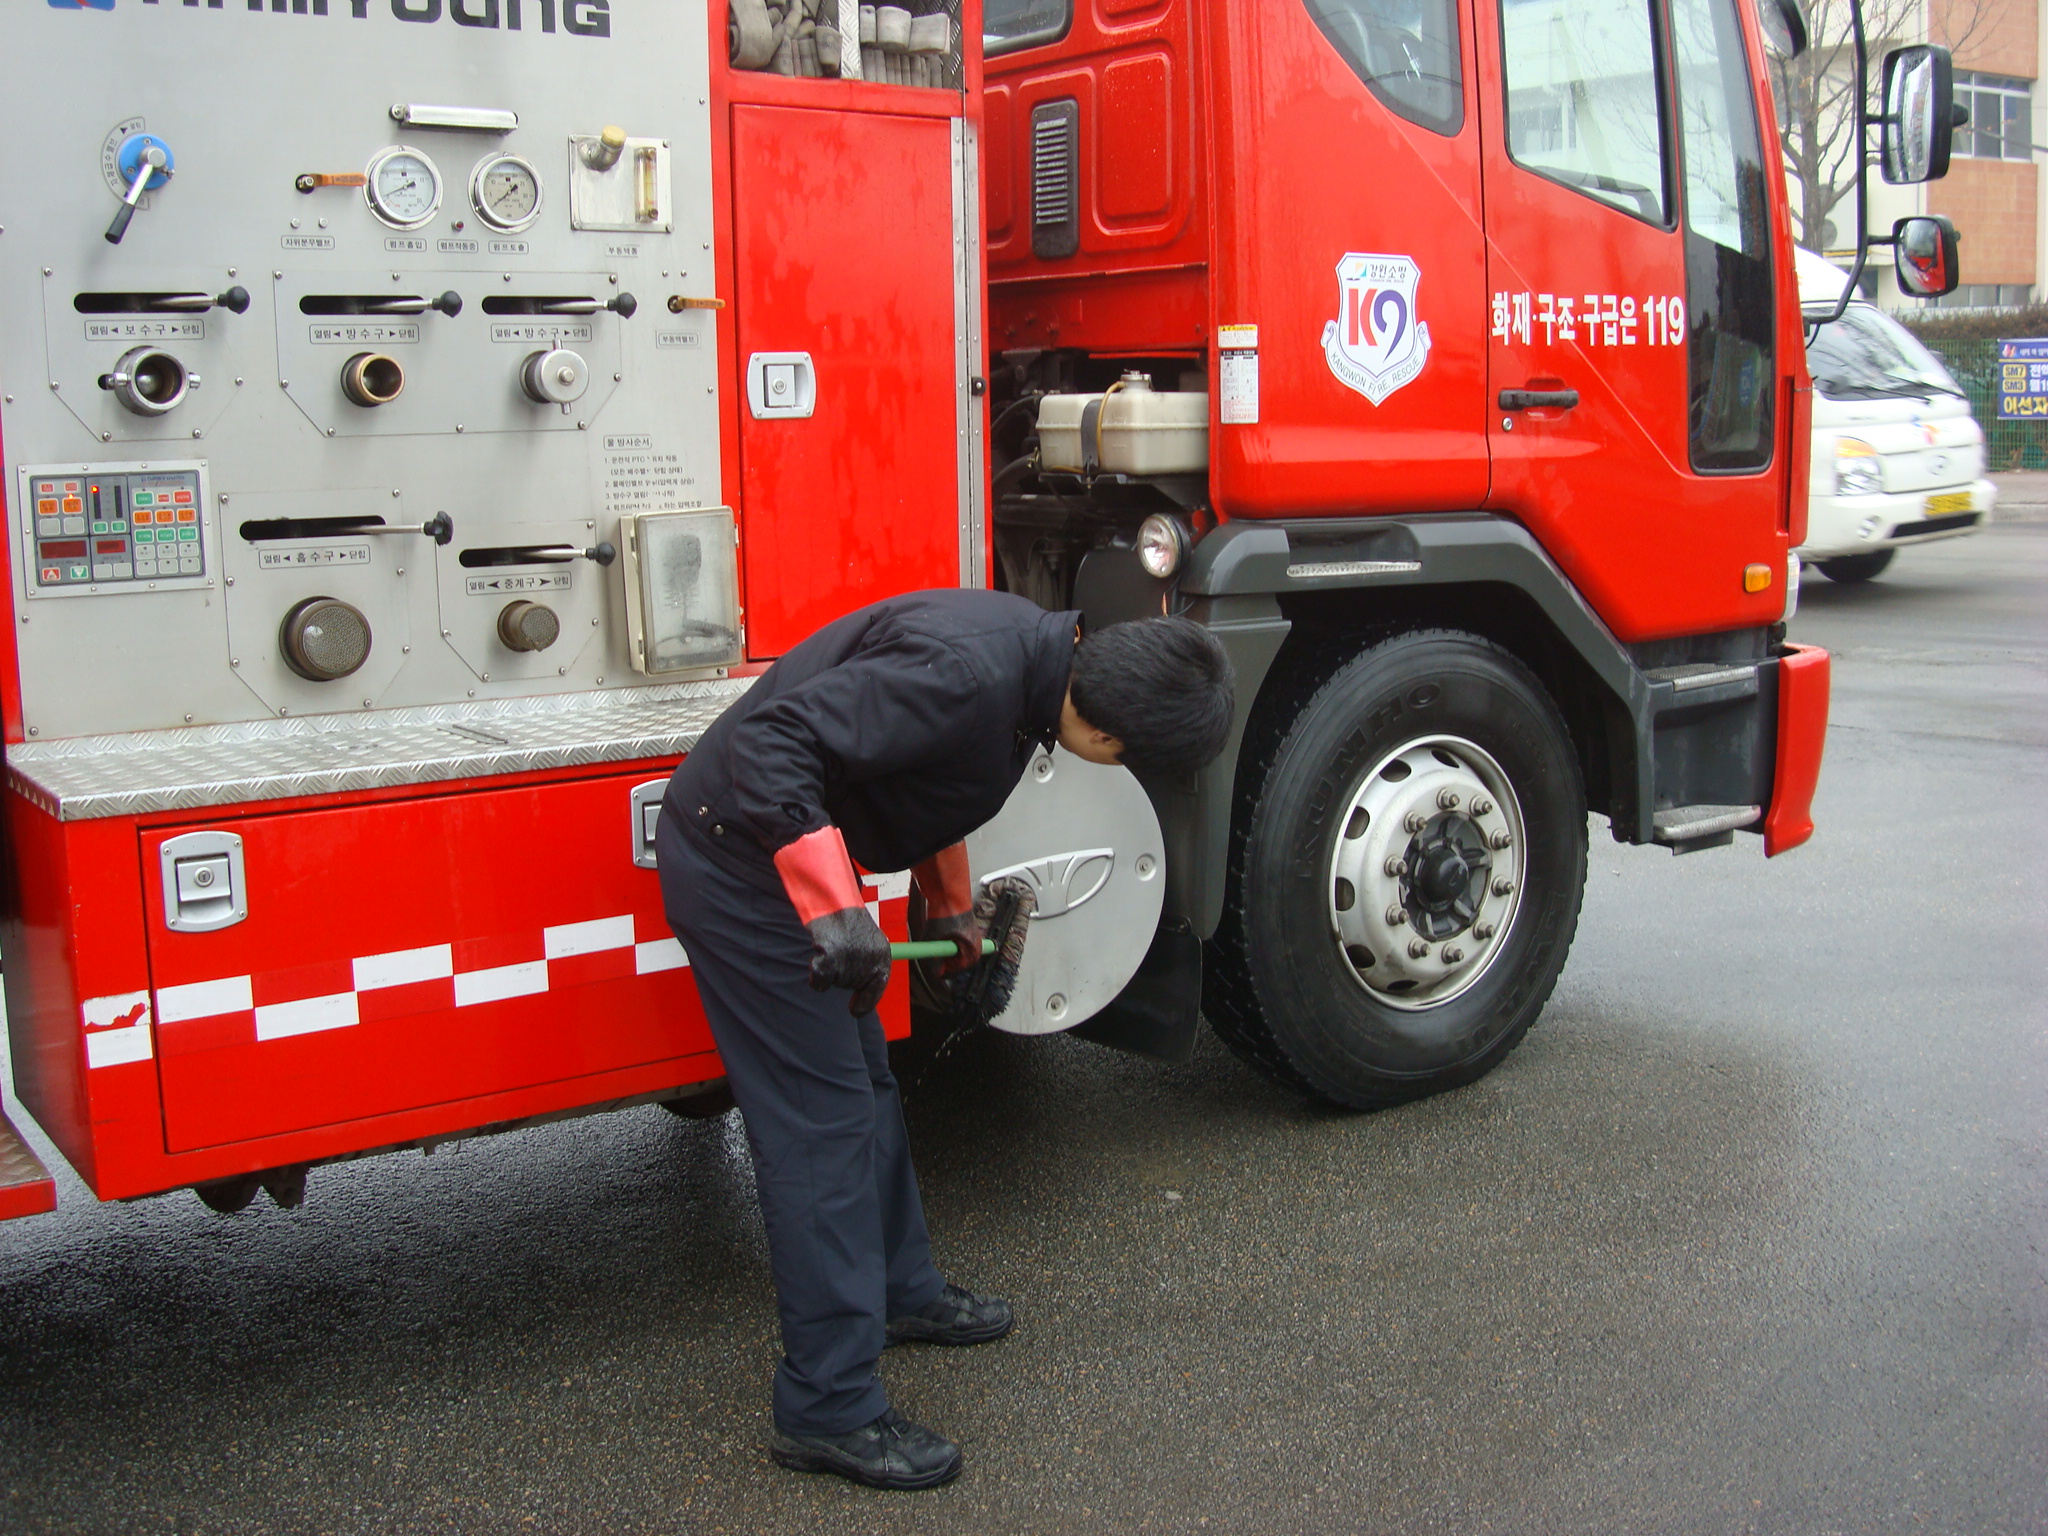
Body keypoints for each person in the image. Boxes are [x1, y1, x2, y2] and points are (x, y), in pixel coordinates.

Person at [655, 588, 1234, 1490]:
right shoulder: (969, 675)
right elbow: (772, 745)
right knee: (819, 1127)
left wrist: (952, 907)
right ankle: (827, 1408)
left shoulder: (1040, 670)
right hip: (740, 863)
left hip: (780, 849)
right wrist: (834, 906)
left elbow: (924, 776)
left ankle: (899, 1290)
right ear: (1109, 735)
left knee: (865, 1085)